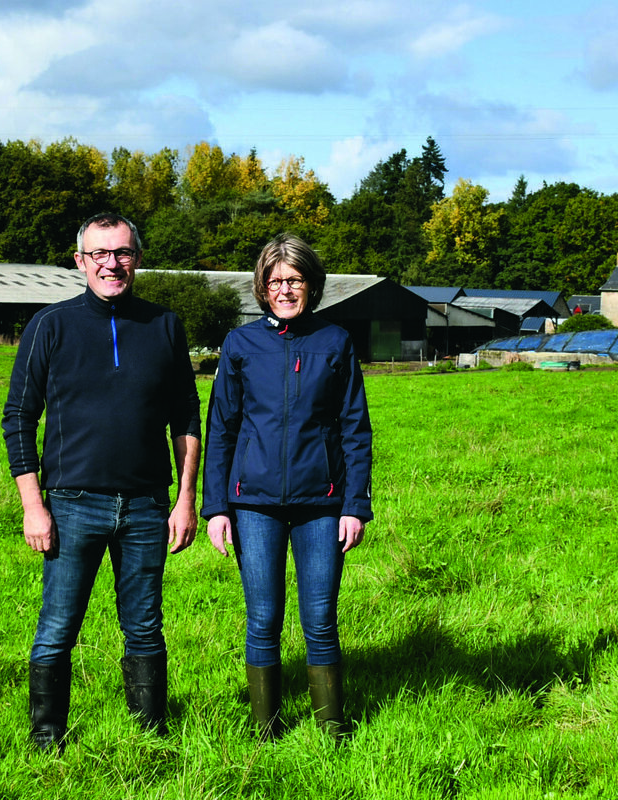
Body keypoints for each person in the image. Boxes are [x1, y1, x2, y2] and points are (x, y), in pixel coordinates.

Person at [2, 212, 201, 752]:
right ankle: (47, 738)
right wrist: (32, 505)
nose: (111, 264)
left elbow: (186, 415)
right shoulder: (50, 325)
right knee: (58, 626)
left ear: (137, 257)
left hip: (144, 505)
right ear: (80, 260)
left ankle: (149, 734)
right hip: (71, 505)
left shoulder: (164, 326)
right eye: (99, 254)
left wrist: (185, 502)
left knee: (145, 626)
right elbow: (19, 416)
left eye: (122, 253)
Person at [201, 233, 373, 742]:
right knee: (263, 621)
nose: (285, 289)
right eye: (276, 281)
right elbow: (222, 429)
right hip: (252, 505)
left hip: (323, 505)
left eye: (294, 280)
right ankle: (265, 730)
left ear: (311, 284)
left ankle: (332, 731)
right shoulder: (240, 344)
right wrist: (217, 508)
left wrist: (355, 505)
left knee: (320, 619)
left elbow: (354, 429)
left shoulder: (335, 342)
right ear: (262, 286)